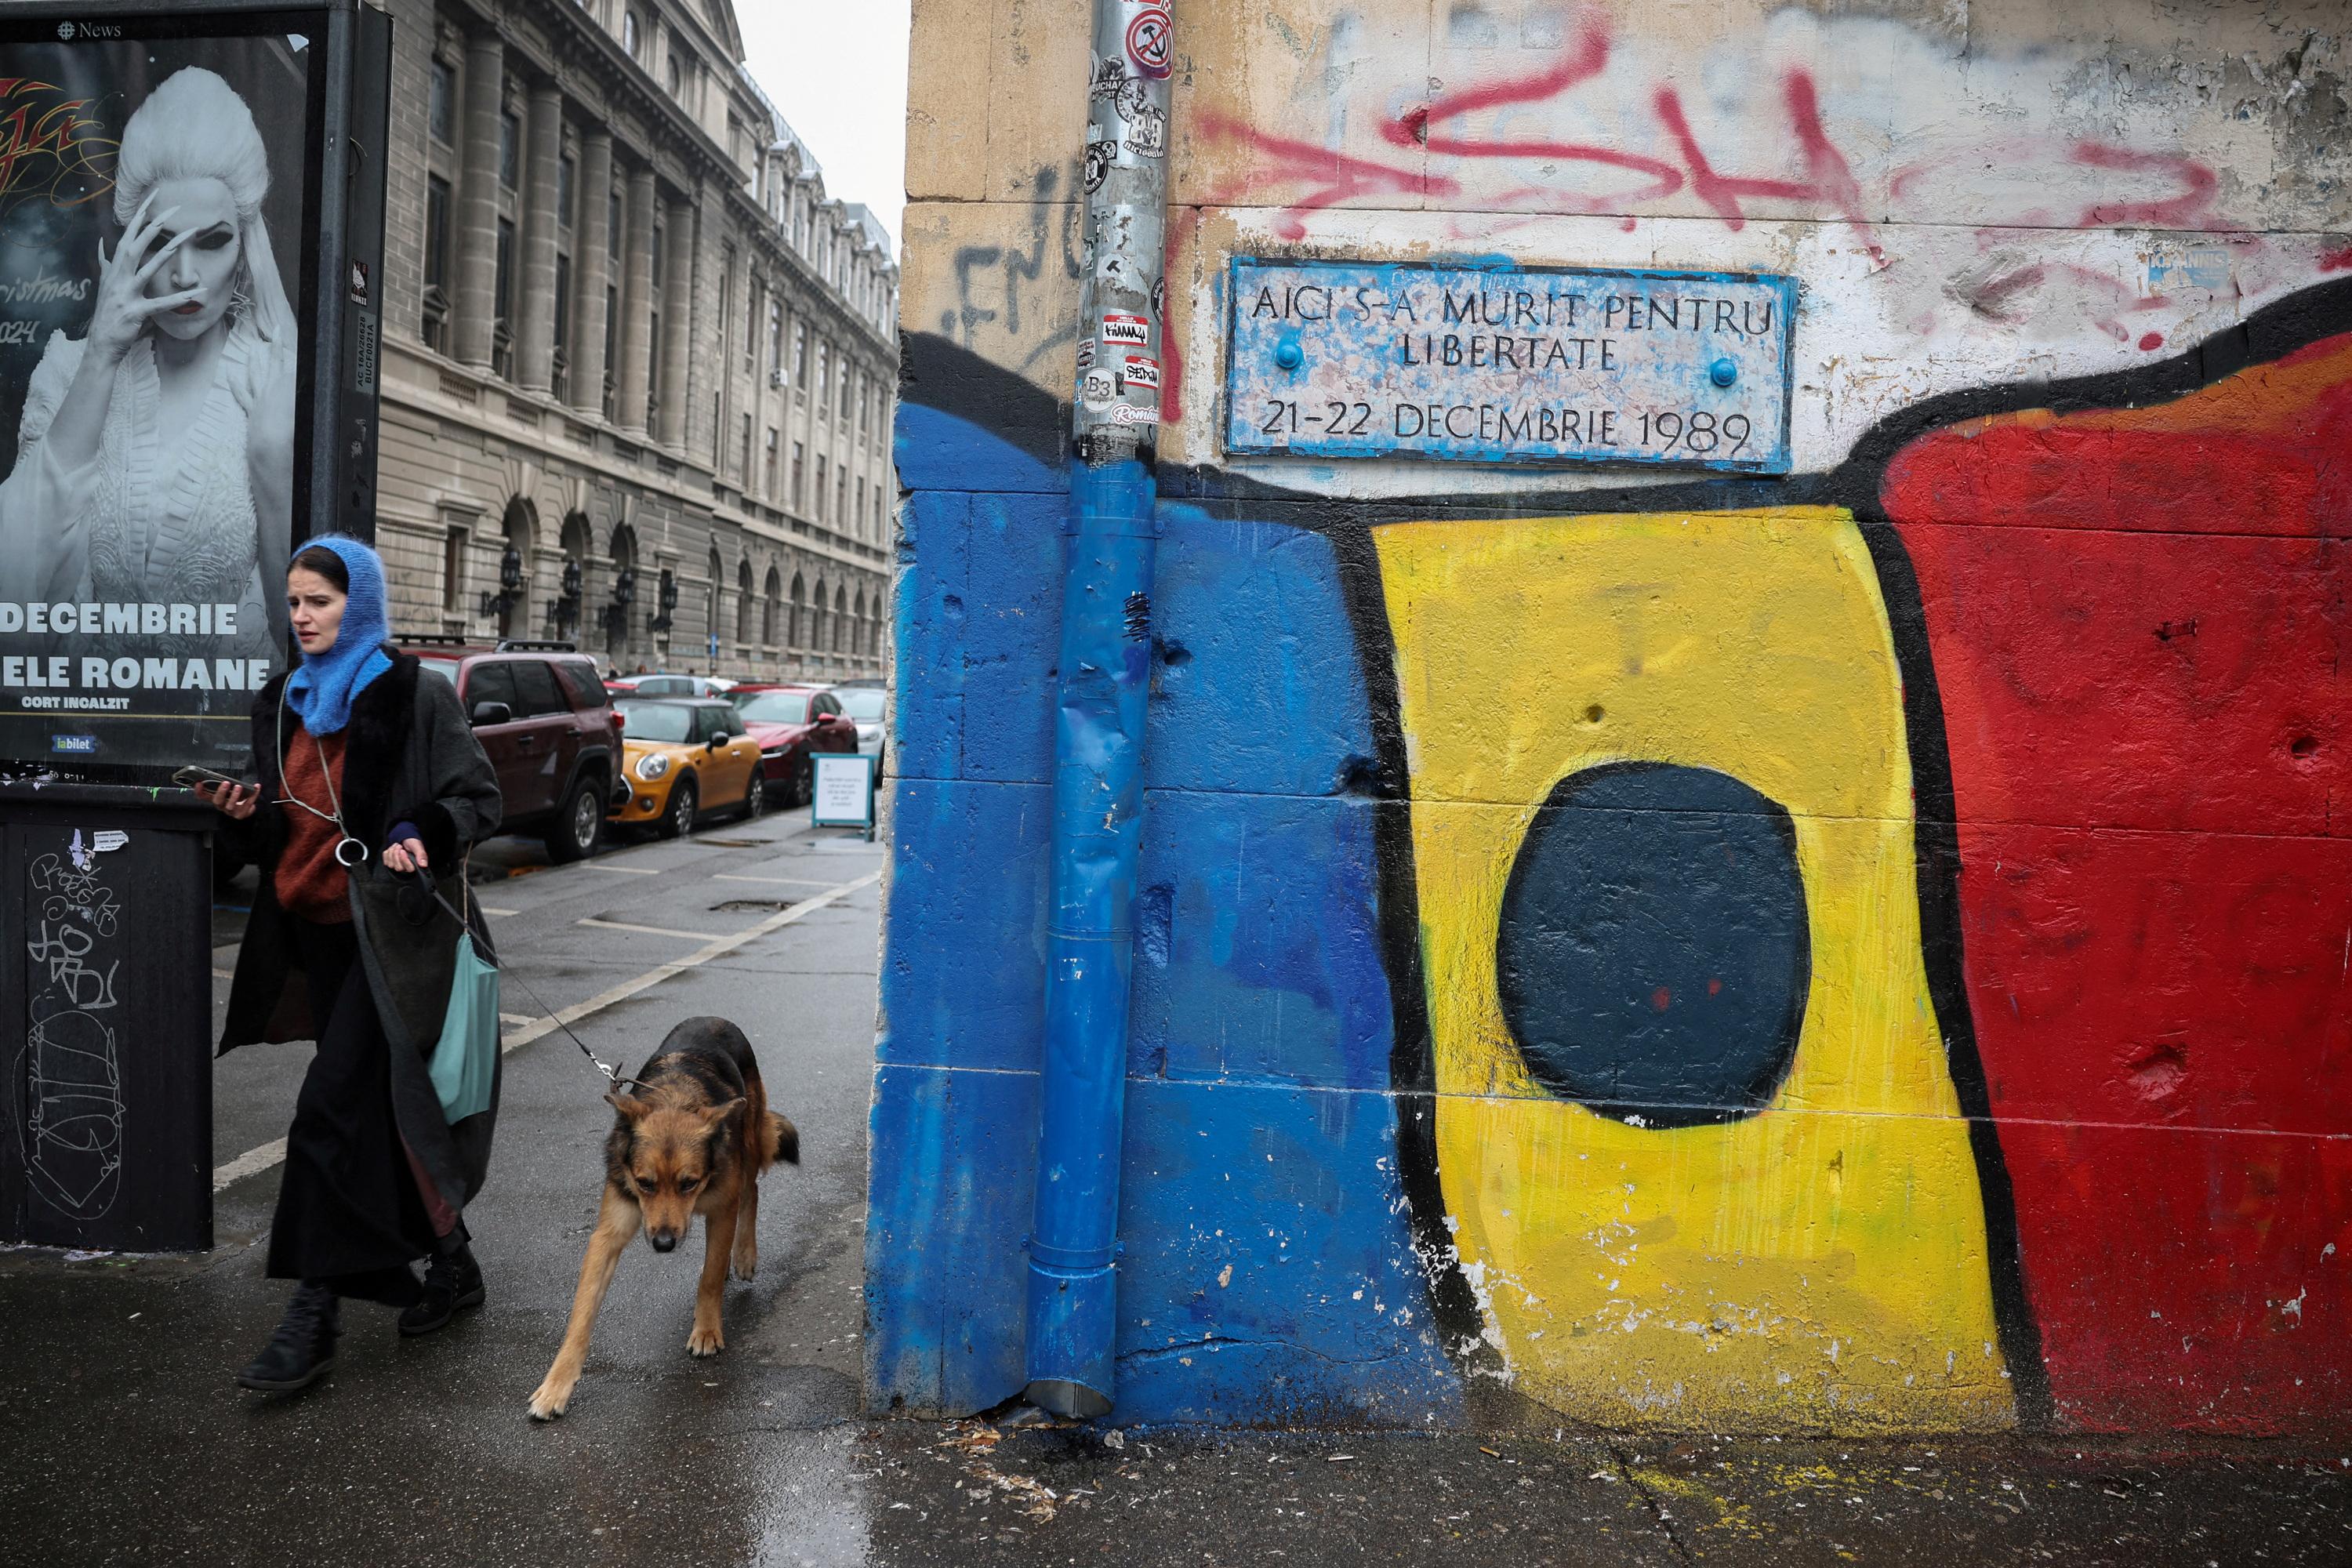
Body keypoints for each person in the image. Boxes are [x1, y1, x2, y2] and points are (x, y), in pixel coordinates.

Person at [199, 536, 504, 1393]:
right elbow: (276, 837)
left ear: (358, 604)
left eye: (320, 602)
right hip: (316, 939)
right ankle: (453, 1261)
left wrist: (420, 831)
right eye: (293, 602)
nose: (302, 617)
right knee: (392, 1115)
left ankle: (314, 1315)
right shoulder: (284, 702)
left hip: (398, 943)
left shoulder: (413, 694)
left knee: (328, 1112)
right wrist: (235, 816)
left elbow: (477, 798)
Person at [0, 66, 295, 659]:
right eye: (161, 241)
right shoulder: (68, 371)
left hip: (227, 748)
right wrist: (103, 356)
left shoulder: (275, 384)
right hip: (85, 737)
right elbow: (14, 593)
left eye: (212, 241)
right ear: (132, 238)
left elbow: (306, 648)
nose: (185, 276)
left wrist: (271, 461)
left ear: (244, 249)